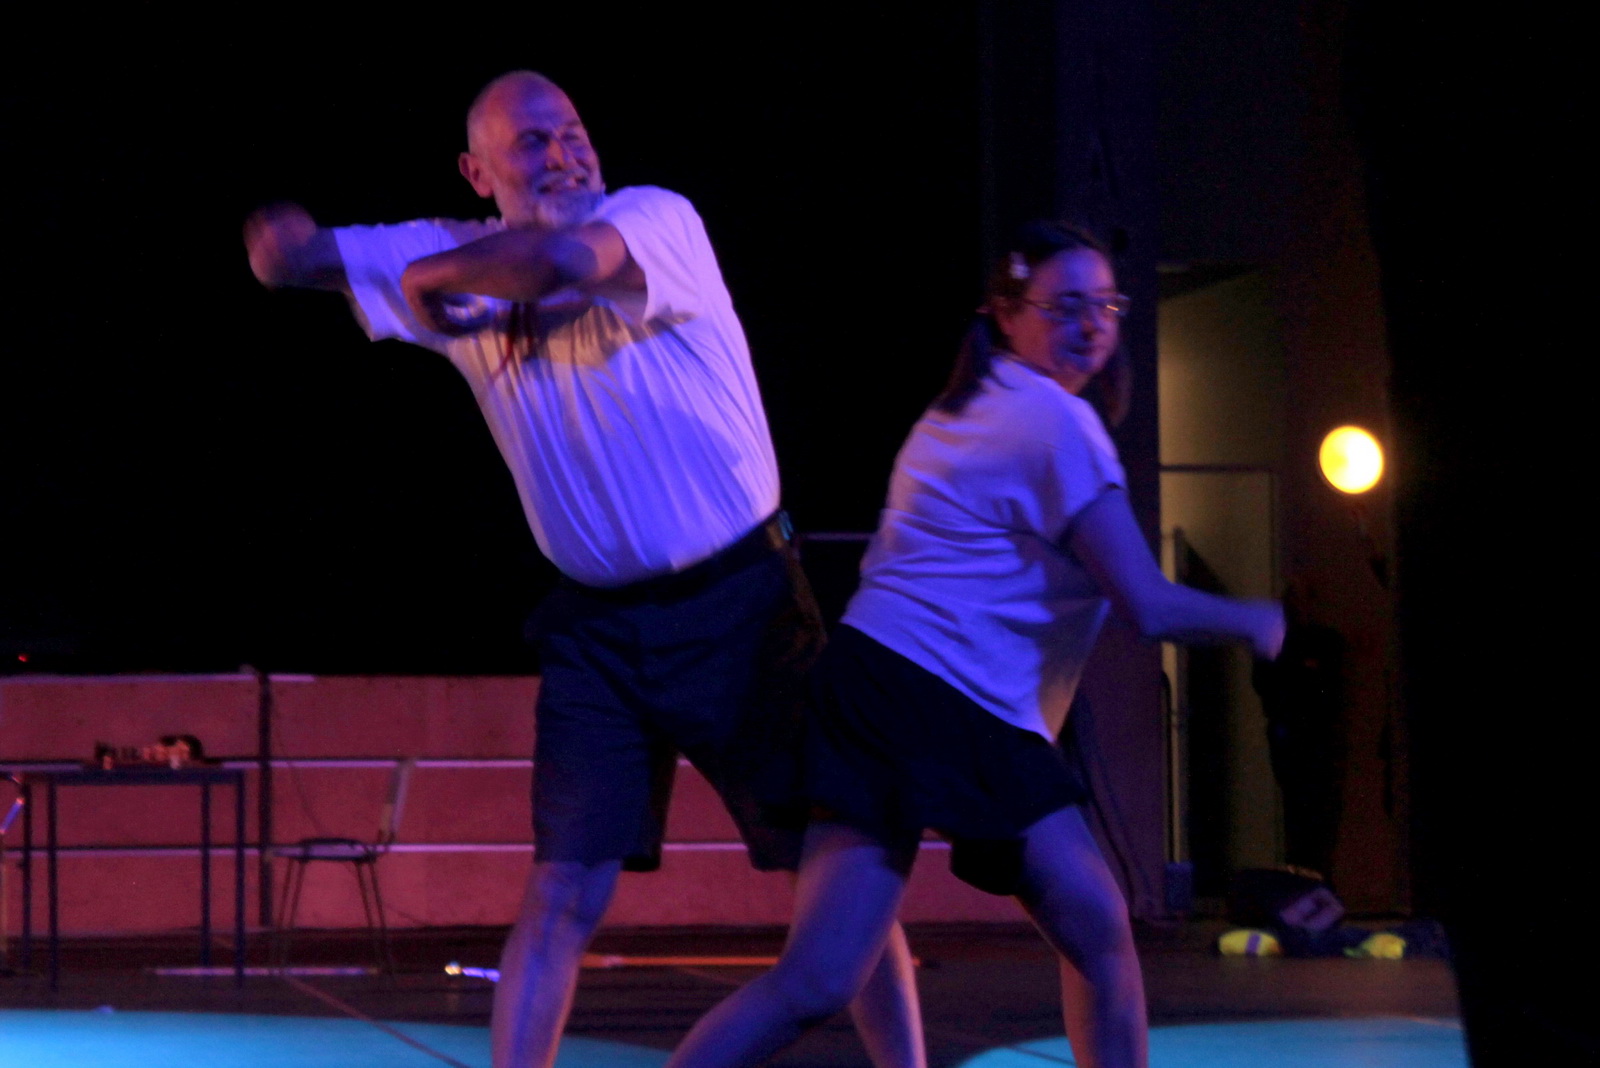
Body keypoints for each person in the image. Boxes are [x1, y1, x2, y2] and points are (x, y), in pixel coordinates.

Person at [243, 70, 922, 1068]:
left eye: (571, 132)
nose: (563, 154)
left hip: (742, 606)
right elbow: (290, 256)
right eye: (532, 142)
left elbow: (559, 259)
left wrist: (429, 281)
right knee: (563, 889)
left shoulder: (653, 218)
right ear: (477, 171)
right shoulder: (451, 247)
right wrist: (280, 235)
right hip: (598, 631)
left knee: (829, 869)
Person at [666, 221, 1286, 1068]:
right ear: (1006, 312)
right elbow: (1148, 605)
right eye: (1065, 306)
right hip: (953, 701)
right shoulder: (1055, 422)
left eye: (1106, 305)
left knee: (817, 980)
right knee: (1100, 937)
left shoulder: (971, 402)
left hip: (875, 686)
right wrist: (1262, 621)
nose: (1091, 324)